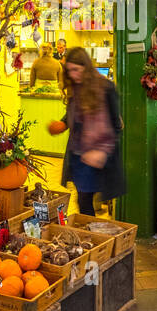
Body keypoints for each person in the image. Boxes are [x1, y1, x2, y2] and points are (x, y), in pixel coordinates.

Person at [51, 46, 124, 215]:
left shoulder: (106, 88)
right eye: (69, 71)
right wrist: (63, 123)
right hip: (77, 155)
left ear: (86, 67)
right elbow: (75, 113)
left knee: (85, 200)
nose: (73, 75)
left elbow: (116, 125)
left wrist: (102, 152)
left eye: (76, 70)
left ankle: (92, 237)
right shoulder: (74, 87)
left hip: (96, 154)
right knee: (83, 198)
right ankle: (90, 236)